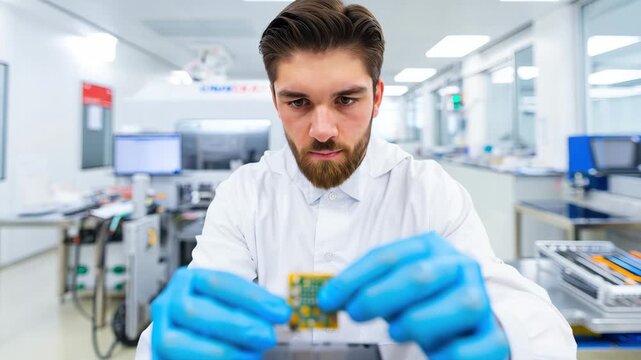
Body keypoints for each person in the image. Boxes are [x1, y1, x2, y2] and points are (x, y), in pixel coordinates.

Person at [136, 0, 576, 359]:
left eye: (346, 99)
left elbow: (547, 333)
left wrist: (503, 330)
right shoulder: (246, 193)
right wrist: (162, 348)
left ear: (377, 97)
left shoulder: (427, 189)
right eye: (298, 102)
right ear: (275, 99)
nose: (323, 128)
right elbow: (194, 318)